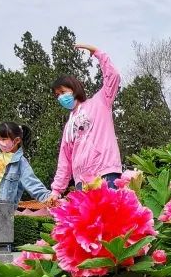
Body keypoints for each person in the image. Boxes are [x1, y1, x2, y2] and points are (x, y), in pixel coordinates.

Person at [50, 43, 122, 199]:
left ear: (74, 88)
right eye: (57, 95)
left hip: (105, 172)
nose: (61, 97)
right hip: (81, 181)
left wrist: (97, 52)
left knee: (110, 221)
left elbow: (113, 77)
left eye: (63, 92)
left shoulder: (100, 102)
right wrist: (56, 190)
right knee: (87, 223)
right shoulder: (69, 126)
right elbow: (65, 159)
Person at [0, 89, 51, 204]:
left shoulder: (21, 163)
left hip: (1, 209)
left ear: (17, 140)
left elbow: (33, 183)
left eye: (4, 139)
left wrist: (49, 198)